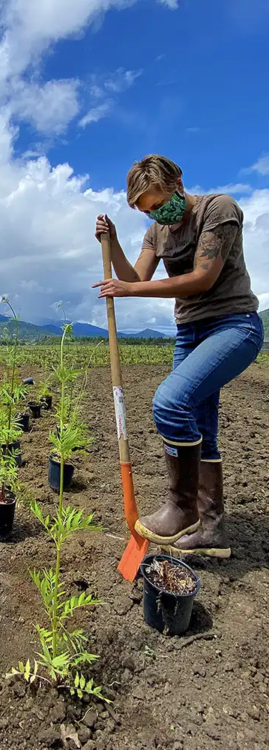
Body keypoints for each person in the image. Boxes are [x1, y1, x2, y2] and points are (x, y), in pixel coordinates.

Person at [94, 154, 263, 559]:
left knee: (170, 403)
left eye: (158, 202)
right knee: (201, 425)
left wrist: (128, 291)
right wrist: (114, 242)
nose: (157, 213)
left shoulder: (217, 208)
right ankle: (212, 530)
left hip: (232, 326)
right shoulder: (158, 233)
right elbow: (136, 278)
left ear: (178, 183)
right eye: (147, 210)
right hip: (189, 332)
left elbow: (203, 278)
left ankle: (182, 508)